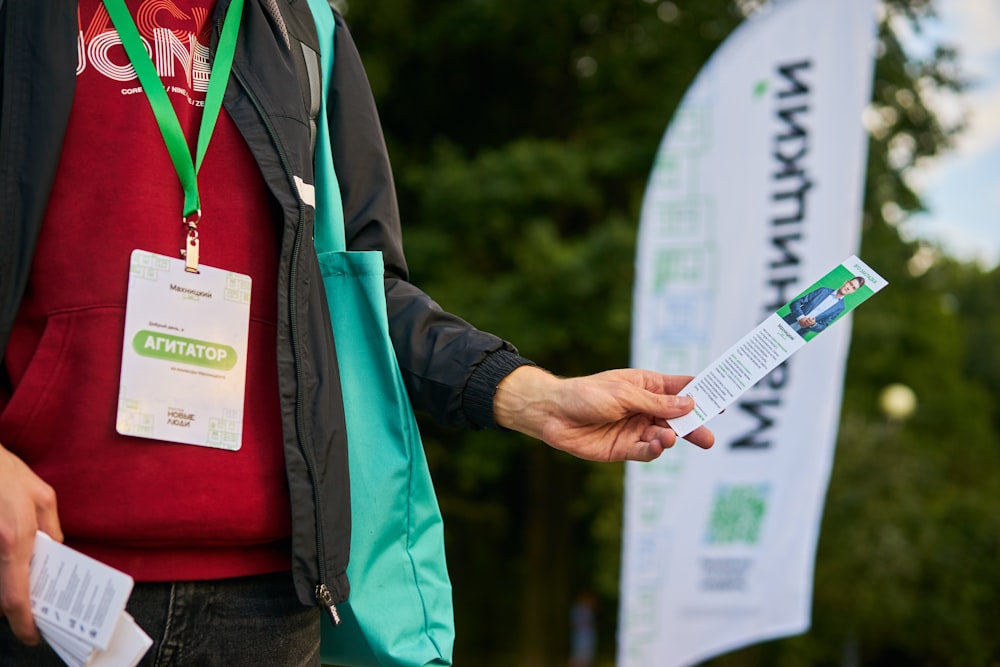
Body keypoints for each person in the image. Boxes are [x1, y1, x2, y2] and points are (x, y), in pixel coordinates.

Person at [0, 1, 714, 664]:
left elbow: (361, 296)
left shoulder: (308, 29)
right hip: (35, 581)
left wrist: (535, 395)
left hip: (272, 604)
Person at [783, 276, 866, 337]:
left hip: (798, 335)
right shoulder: (823, 291)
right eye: (850, 284)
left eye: (853, 288)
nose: (849, 288)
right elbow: (795, 303)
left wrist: (813, 324)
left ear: (853, 292)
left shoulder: (841, 307)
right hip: (785, 323)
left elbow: (823, 327)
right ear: (846, 282)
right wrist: (801, 318)